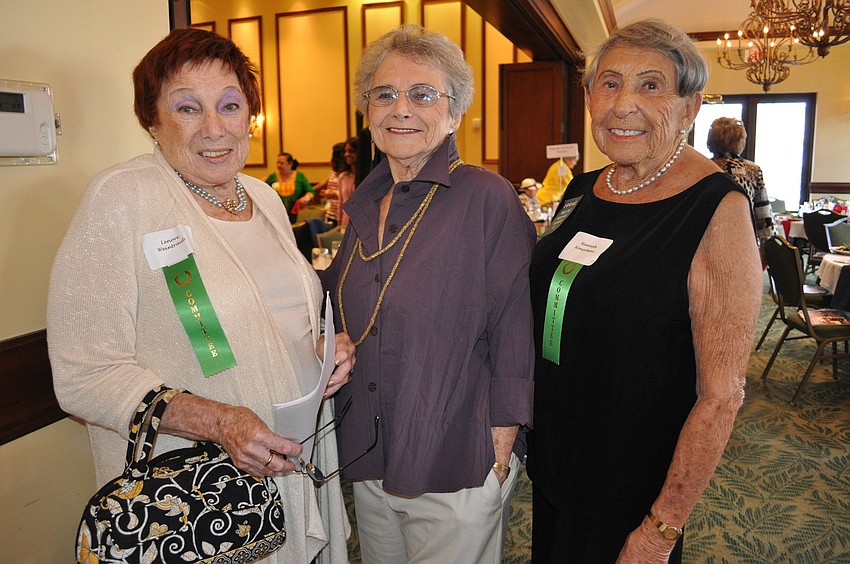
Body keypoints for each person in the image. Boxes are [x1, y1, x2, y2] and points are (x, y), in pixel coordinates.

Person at [47, 27, 353, 564]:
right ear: (152, 120)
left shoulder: (262, 198)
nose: (215, 128)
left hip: (291, 461)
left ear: (250, 116)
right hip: (197, 497)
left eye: (230, 105)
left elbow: (268, 314)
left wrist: (322, 346)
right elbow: (82, 373)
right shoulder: (123, 199)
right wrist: (219, 421)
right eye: (188, 108)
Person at [526, 19, 762, 564]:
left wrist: (660, 529)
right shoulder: (587, 188)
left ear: (690, 105)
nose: (622, 104)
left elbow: (722, 396)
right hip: (559, 460)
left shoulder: (716, 208)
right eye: (608, 84)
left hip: (633, 484)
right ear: (588, 97)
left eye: (651, 85)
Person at [320, 24, 535, 563]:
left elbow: (515, 324)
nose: (401, 109)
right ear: (367, 111)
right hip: (374, 452)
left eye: (422, 94)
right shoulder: (366, 203)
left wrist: (503, 439)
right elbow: (343, 300)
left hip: (455, 452)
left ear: (454, 112)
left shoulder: (486, 198)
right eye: (385, 94)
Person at [707, 116, 777, 249]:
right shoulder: (752, 170)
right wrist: (766, 248)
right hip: (744, 239)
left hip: (710, 239)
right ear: (741, 141)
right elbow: (763, 214)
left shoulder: (703, 168)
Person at [266, 151, 314, 221]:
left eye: (282, 163)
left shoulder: (300, 177)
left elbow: (310, 191)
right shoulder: (272, 177)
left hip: (296, 214)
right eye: (277, 163)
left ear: (290, 164)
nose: (278, 165)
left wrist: (306, 198)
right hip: (276, 213)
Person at [312, 142, 347, 226]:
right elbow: (327, 181)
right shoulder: (334, 172)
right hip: (331, 212)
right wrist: (310, 190)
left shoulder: (347, 175)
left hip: (342, 214)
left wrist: (334, 193)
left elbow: (348, 195)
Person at [337, 137, 357, 228]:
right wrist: (338, 224)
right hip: (345, 223)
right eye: (345, 151)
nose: (347, 154)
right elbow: (340, 203)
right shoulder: (343, 176)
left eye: (351, 151)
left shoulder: (367, 177)